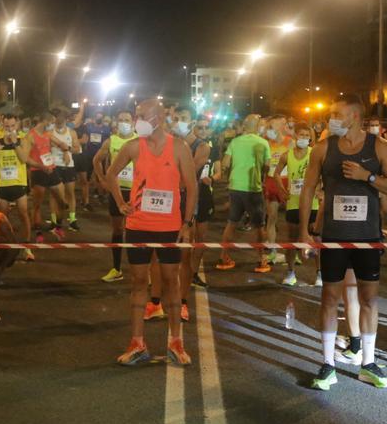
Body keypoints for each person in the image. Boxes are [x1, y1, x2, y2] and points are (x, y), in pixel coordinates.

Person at [299, 94, 387, 390]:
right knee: (329, 299)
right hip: (334, 237)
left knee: (370, 299)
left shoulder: (379, 148)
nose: (330, 118)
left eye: (336, 113)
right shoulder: (323, 148)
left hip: (368, 237)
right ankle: (327, 365)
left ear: (354, 117)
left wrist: (367, 177)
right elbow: (308, 189)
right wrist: (304, 233)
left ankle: (368, 363)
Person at [105, 98, 197, 366]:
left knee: (172, 283)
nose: (137, 121)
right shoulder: (132, 146)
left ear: (158, 118)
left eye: (141, 115)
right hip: (138, 226)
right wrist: (121, 203)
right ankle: (136, 342)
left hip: (169, 227)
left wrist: (187, 224)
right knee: (138, 282)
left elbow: (192, 188)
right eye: (136, 116)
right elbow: (111, 175)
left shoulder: (178, 147)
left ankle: (176, 342)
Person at [216, 114, 270, 273]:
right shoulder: (263, 143)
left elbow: (225, 163)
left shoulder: (235, 141)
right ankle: (261, 259)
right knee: (259, 226)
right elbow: (267, 166)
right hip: (253, 188)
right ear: (258, 125)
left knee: (231, 223)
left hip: (235, 187)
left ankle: (223, 256)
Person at [178, 116, 217, 321]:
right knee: (186, 242)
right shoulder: (181, 143)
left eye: (206, 128)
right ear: (192, 126)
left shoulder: (207, 147)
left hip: (202, 194)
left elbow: (213, 169)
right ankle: (179, 289)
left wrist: (214, 178)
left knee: (200, 240)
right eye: (199, 126)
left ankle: (192, 274)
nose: (202, 130)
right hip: (186, 196)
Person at [274, 122, 320, 286]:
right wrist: (280, 188)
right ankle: (290, 272)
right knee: (291, 239)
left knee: (316, 237)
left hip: (313, 202)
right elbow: (276, 173)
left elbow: (324, 173)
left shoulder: (314, 153)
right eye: (301, 135)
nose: (304, 138)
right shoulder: (287, 155)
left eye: (307, 136)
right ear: (295, 136)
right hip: (293, 202)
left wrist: (320, 189)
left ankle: (319, 274)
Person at [93, 110, 137, 282]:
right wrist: (103, 180)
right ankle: (116, 268)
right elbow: (96, 160)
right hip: (117, 191)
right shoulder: (111, 141)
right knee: (118, 229)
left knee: (137, 231)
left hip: (135, 192)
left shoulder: (140, 141)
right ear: (116, 123)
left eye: (126, 120)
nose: (123, 123)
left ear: (133, 122)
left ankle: (142, 271)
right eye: (120, 120)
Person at [0, 114, 35, 262]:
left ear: (16, 125)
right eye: (7, 127)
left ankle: (27, 247)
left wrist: (14, 143)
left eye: (12, 126)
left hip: (19, 183)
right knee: (2, 217)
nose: (9, 129)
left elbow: (24, 159)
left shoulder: (23, 140)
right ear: (3, 126)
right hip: (4, 184)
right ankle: (5, 245)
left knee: (23, 213)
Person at [25, 111, 67, 240]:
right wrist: (40, 166)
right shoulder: (30, 136)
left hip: (52, 169)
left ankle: (58, 227)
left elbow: (61, 144)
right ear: (45, 121)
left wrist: (66, 151)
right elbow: (26, 158)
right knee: (37, 204)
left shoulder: (48, 134)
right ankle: (38, 233)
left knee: (63, 203)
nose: (53, 125)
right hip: (38, 171)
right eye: (52, 122)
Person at [263, 114, 292, 265]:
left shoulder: (290, 142)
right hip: (271, 181)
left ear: (281, 126)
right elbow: (265, 164)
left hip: (287, 182)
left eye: (271, 126)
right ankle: (272, 251)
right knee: (272, 218)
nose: (269, 130)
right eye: (268, 127)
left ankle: (295, 252)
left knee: (293, 220)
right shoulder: (266, 143)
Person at [49, 108, 81, 231]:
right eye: (57, 116)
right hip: (54, 165)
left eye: (62, 116)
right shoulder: (49, 132)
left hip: (68, 166)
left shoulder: (71, 132)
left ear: (66, 118)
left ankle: (72, 220)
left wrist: (66, 149)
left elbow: (77, 149)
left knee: (70, 193)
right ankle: (54, 221)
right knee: (54, 195)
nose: (59, 118)